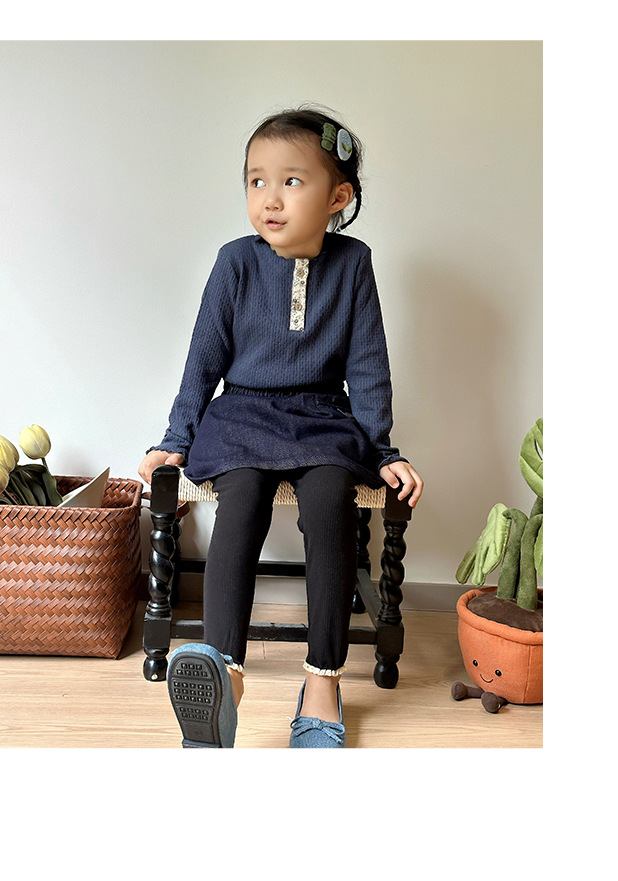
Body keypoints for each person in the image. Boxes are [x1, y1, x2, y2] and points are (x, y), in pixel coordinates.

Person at [139, 105, 423, 749]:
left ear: (337, 198)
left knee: (329, 502)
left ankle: (323, 679)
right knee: (240, 502)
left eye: (291, 181)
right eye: (256, 180)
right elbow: (203, 360)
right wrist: (175, 440)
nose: (270, 198)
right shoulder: (234, 262)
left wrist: (383, 450)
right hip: (241, 415)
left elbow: (368, 365)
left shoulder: (353, 264)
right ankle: (225, 676)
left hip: (323, 418)